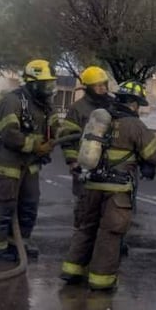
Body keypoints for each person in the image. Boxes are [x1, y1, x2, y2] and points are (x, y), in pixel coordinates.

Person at [60, 81, 156, 291]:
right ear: (135, 104)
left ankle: (72, 271)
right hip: (116, 191)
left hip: (91, 184)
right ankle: (102, 281)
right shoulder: (133, 125)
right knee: (110, 233)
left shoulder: (99, 118)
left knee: (86, 228)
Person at [0, 59, 57, 261]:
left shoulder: (44, 105)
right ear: (32, 83)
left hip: (30, 164)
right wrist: (36, 145)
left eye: (51, 84)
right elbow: (9, 134)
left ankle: (19, 243)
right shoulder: (12, 101)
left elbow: (56, 127)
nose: (50, 88)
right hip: (7, 164)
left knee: (29, 204)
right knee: (4, 205)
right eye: (46, 84)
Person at [56, 66, 113, 224]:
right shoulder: (77, 108)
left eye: (104, 84)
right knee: (85, 210)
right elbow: (67, 137)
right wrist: (73, 162)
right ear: (88, 87)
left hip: (109, 166)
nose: (102, 89)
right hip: (85, 165)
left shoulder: (113, 106)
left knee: (109, 211)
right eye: (97, 85)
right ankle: (81, 239)